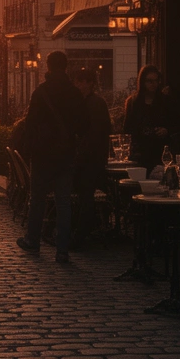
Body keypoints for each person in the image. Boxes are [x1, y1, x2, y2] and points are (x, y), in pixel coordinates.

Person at [17, 51, 85, 264]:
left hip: (42, 154)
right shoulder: (74, 93)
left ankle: (33, 240)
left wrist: (29, 148)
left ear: (48, 66)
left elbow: (30, 124)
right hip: (65, 154)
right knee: (63, 202)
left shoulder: (41, 92)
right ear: (66, 67)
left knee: (37, 199)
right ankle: (62, 249)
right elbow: (83, 124)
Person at [71, 67, 111, 240]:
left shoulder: (92, 104)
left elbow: (93, 133)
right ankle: (85, 230)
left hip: (89, 159)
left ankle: (81, 233)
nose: (78, 85)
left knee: (85, 195)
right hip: (92, 157)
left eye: (81, 82)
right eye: (77, 81)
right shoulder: (93, 102)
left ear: (90, 83)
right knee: (85, 195)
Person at [122, 66, 180, 174]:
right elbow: (127, 128)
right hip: (140, 153)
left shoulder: (167, 102)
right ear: (142, 82)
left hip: (160, 151)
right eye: (149, 81)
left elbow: (179, 125)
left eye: (156, 81)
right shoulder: (133, 102)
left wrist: (166, 130)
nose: (153, 84)